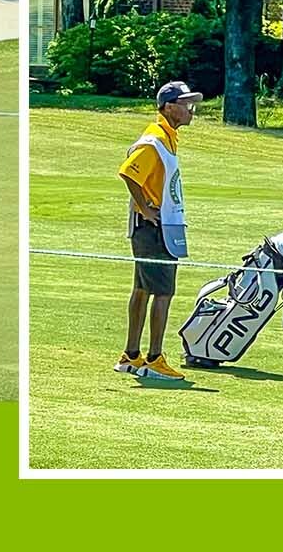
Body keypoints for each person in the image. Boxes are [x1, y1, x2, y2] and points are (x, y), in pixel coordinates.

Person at [114, 80, 201, 381]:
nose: (191, 109)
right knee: (162, 292)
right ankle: (154, 359)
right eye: (185, 103)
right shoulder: (155, 140)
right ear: (168, 107)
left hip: (151, 227)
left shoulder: (167, 136)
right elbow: (129, 172)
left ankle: (131, 355)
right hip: (153, 228)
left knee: (142, 289)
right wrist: (146, 209)